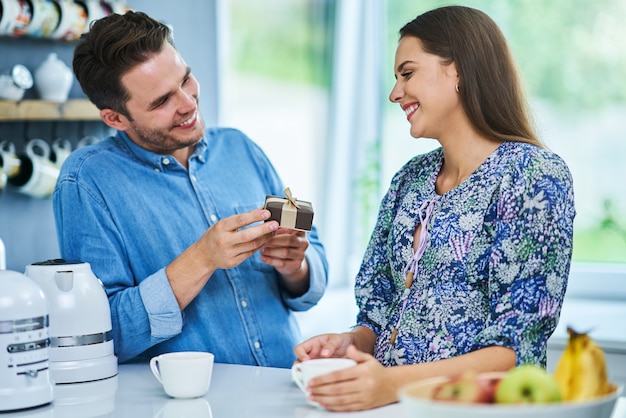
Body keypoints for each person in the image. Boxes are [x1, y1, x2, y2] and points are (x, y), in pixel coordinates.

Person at [294, 5, 575, 411]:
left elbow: (515, 350)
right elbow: (379, 312)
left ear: (458, 70)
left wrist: (391, 383)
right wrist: (351, 343)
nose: (395, 93)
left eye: (407, 73)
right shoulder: (410, 179)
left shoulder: (533, 176)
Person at [53, 11, 328, 368]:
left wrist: (296, 267)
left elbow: (314, 264)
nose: (187, 103)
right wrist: (201, 259)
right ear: (115, 118)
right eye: (161, 101)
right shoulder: (86, 182)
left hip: (287, 388)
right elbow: (103, 336)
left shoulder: (240, 148)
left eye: (185, 79)